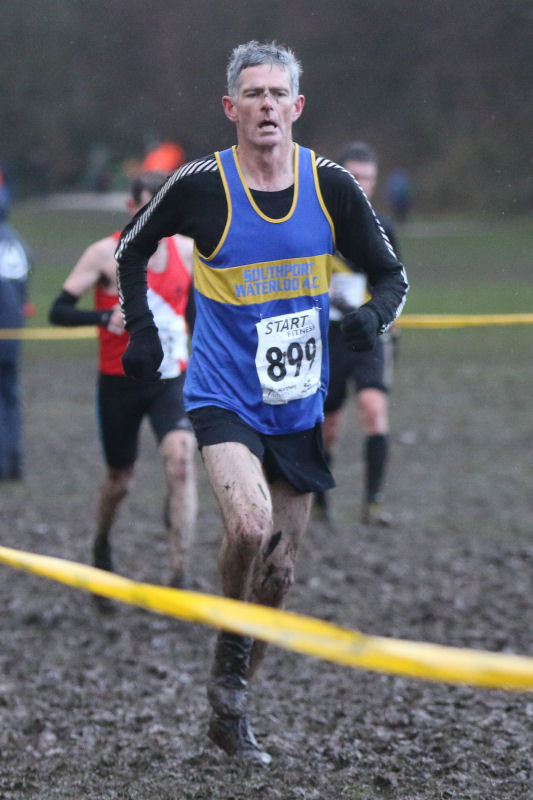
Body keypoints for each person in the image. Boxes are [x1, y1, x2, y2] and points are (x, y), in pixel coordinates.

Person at [115, 41, 408, 764]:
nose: (267, 105)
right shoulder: (201, 185)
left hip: (297, 406)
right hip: (222, 398)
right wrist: (145, 331)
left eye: (279, 94)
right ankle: (227, 665)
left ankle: (231, 703)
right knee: (247, 528)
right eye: (254, 95)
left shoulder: (331, 185)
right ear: (232, 108)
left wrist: (370, 321)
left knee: (278, 574)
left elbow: (391, 276)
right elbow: (129, 248)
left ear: (297, 107)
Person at [49, 171, 198, 591]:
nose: (155, 220)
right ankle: (102, 543)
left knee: (182, 463)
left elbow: (191, 312)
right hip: (119, 383)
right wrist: (102, 317)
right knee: (121, 481)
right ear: (132, 208)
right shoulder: (102, 254)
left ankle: (179, 574)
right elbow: (57, 311)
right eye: (147, 209)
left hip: (169, 379)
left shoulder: (185, 251)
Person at [315, 141, 400, 526]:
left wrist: (386, 323)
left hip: (366, 335)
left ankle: (373, 504)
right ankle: (318, 502)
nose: (361, 184)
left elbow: (393, 281)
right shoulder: (317, 221)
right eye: (355, 177)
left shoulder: (383, 228)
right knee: (328, 428)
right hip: (327, 336)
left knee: (373, 408)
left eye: (368, 178)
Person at [0, 176, 32, 480]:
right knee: (9, 397)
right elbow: (24, 290)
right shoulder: (18, 244)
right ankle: (12, 464)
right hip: (13, 334)